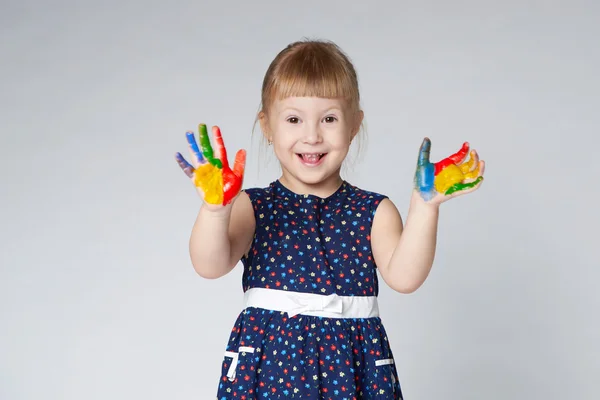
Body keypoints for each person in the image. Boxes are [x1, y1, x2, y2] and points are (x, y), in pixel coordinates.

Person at [175, 39, 484, 399]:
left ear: (354, 124)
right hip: (269, 376)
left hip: (355, 374)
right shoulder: (254, 206)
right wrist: (215, 210)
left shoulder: (374, 211)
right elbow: (209, 265)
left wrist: (425, 206)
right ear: (267, 125)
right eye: (293, 119)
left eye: (329, 119)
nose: (312, 135)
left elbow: (406, 277)